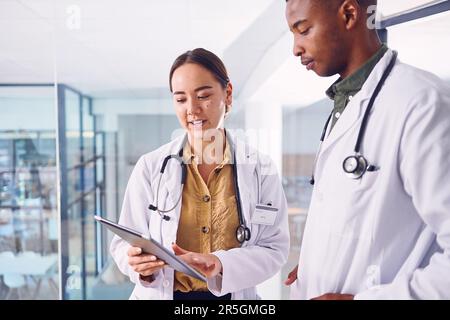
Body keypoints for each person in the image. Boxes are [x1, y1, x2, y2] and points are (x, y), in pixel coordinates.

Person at [284, 0, 450, 299]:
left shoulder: (422, 102)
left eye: (304, 30)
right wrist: (317, 264)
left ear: (349, 14)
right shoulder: (346, 101)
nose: (296, 48)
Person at [110, 48, 289, 300]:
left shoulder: (260, 169)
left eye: (203, 96)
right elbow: (124, 243)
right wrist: (140, 268)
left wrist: (219, 263)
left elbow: (274, 249)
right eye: (181, 99)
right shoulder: (150, 167)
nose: (192, 109)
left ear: (227, 94)